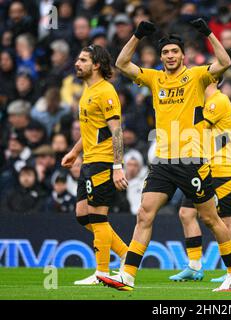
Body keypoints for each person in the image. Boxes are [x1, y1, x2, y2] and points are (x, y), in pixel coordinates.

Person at [98, 19, 231, 292]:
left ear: (182, 55)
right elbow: (121, 63)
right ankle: (127, 275)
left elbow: (225, 62)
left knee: (212, 219)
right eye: (165, 52)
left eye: (174, 52)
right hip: (163, 161)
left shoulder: (197, 76)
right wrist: (137, 35)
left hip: (192, 161)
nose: (169, 56)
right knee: (144, 214)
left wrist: (208, 34)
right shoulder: (154, 78)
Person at [61, 44, 129, 285]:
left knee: (98, 217)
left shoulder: (105, 91)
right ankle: (126, 255)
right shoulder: (87, 92)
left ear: (96, 64)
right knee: (82, 214)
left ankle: (101, 272)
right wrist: (74, 151)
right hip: (88, 160)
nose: (77, 64)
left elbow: (116, 131)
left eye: (82, 60)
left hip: (103, 161)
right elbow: (91, 130)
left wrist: (118, 166)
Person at [169, 79, 231, 283]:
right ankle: (194, 266)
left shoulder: (218, 100)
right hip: (202, 168)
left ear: (213, 79)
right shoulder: (204, 102)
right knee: (186, 213)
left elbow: (197, 129)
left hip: (221, 167)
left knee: (228, 220)